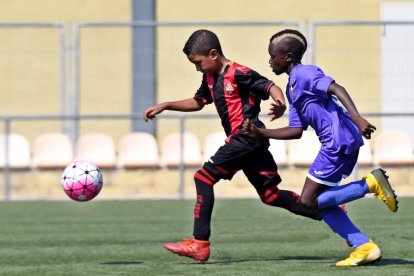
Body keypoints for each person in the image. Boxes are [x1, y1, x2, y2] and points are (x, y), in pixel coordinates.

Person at [143, 29, 322, 263]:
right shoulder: (210, 77)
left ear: (214, 54)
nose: (198, 68)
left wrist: (280, 103)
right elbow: (198, 102)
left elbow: (270, 87)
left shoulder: (239, 73)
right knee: (269, 195)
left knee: (203, 178)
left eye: (198, 63)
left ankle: (200, 243)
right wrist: (166, 105)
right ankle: (326, 209)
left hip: (247, 136)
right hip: (248, 143)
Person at [242, 29, 398, 267]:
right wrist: (261, 132)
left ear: (289, 57)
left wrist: (357, 117)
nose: (270, 61)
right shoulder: (292, 88)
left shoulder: (305, 72)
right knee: (320, 202)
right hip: (337, 141)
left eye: (273, 56)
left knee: (307, 201)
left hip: (337, 141)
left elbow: (336, 88)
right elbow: (295, 130)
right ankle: (363, 246)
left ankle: (370, 184)